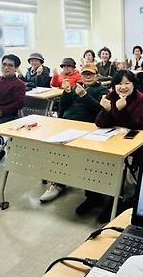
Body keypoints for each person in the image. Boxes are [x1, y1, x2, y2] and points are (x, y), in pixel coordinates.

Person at [40, 64, 108, 203]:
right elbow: (63, 107)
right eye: (85, 74)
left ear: (96, 76)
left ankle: (71, 185)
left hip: (87, 127)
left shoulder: (102, 90)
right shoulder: (76, 86)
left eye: (90, 74)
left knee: (71, 152)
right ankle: (58, 182)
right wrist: (66, 93)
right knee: (53, 148)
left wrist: (84, 95)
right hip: (66, 124)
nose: (87, 77)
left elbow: (100, 111)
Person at [90, 70, 143, 221]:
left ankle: (117, 200)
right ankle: (92, 196)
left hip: (135, 144)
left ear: (133, 84)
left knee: (120, 164)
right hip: (112, 140)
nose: (122, 87)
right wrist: (106, 110)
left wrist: (120, 109)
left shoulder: (140, 99)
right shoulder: (111, 96)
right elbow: (100, 123)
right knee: (92, 156)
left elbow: (136, 126)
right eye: (119, 83)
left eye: (127, 83)